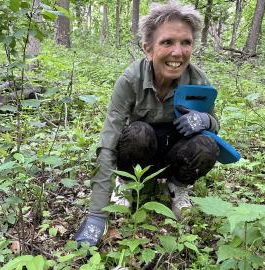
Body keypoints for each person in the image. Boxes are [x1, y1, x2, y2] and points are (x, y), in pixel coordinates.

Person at [75, 0, 220, 246]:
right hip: (141, 152)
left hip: (174, 152)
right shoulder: (130, 80)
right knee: (138, 132)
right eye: (167, 42)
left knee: (207, 145)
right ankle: (127, 184)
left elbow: (215, 126)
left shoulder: (197, 80)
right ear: (148, 48)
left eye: (186, 42)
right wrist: (96, 214)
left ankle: (176, 187)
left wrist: (205, 119)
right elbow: (108, 142)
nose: (178, 52)